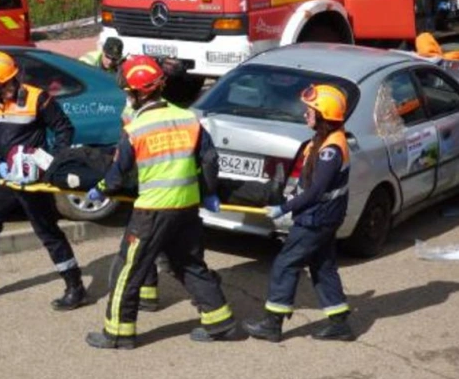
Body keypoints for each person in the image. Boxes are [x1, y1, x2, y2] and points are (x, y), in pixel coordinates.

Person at [84, 55, 234, 349]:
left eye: (129, 92)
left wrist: (99, 190)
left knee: (128, 269)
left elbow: (117, 176)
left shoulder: (136, 128)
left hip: (152, 211)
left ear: (138, 93)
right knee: (189, 264)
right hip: (187, 207)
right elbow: (209, 159)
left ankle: (118, 333)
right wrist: (209, 192)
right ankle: (220, 322)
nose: (128, 97)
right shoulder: (188, 118)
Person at [0, 51, 88, 311]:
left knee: (46, 230)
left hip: (33, 181)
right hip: (9, 178)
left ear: (3, 81)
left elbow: (63, 128)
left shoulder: (37, 98)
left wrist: (51, 163)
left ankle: (75, 287)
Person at [243, 84, 354, 342]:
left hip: (317, 218)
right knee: (322, 266)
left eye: (310, 111)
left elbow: (315, 191)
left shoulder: (331, 150)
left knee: (285, 264)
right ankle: (339, 322)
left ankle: (272, 323)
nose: (305, 114)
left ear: (323, 115)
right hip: (324, 216)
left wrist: (283, 208)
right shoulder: (324, 140)